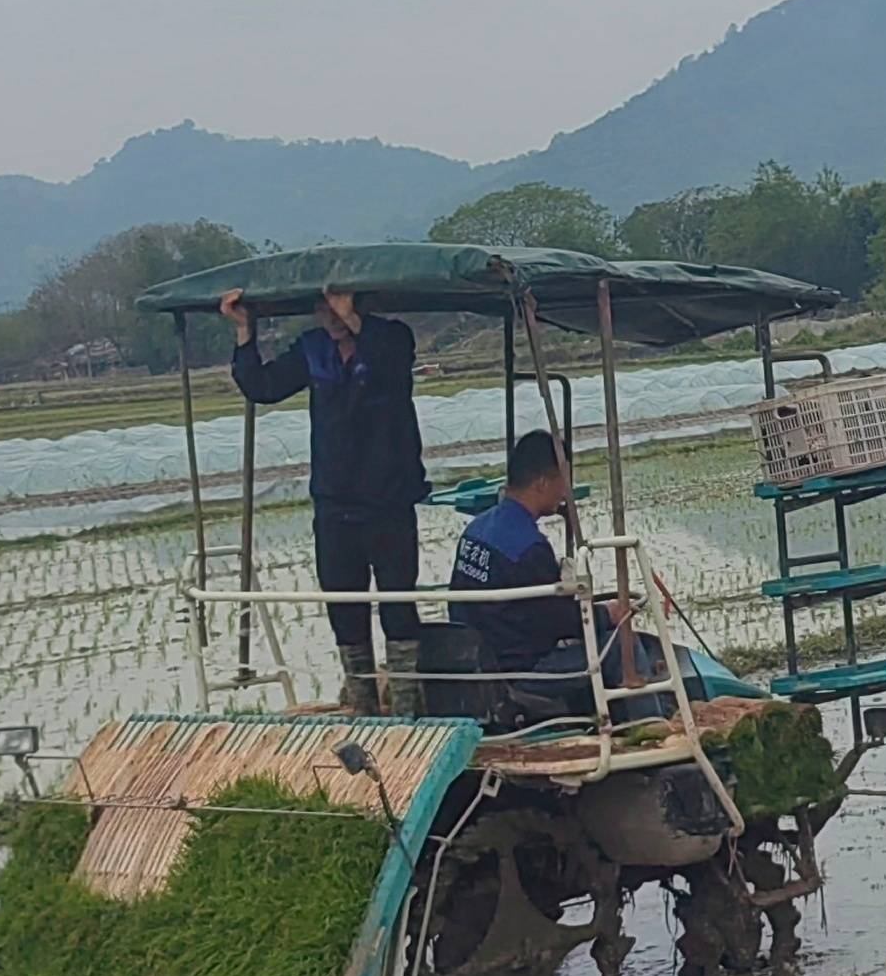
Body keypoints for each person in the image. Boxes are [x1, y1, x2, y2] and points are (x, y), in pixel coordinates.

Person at [225, 284, 429, 713]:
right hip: (335, 505)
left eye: (343, 305)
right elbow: (263, 385)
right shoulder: (313, 350)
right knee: (344, 607)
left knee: (398, 603)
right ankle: (363, 706)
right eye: (325, 308)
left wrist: (355, 319)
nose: (334, 316)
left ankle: (409, 708)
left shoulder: (391, 340)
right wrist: (245, 331)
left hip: (389, 501)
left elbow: (392, 368)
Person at [450, 428, 666, 722]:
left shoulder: (477, 530)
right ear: (542, 483)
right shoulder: (528, 547)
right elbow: (559, 622)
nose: (566, 492)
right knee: (620, 642)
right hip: (522, 672)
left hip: (482, 660)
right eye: (562, 482)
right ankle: (650, 729)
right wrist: (607, 614)